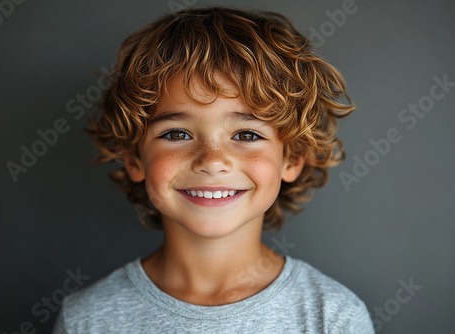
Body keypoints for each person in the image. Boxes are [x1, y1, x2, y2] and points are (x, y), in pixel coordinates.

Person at [53, 7, 374, 333]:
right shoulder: (87, 319)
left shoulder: (334, 317)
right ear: (135, 158)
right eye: (177, 134)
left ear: (291, 159)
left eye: (247, 135)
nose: (212, 160)